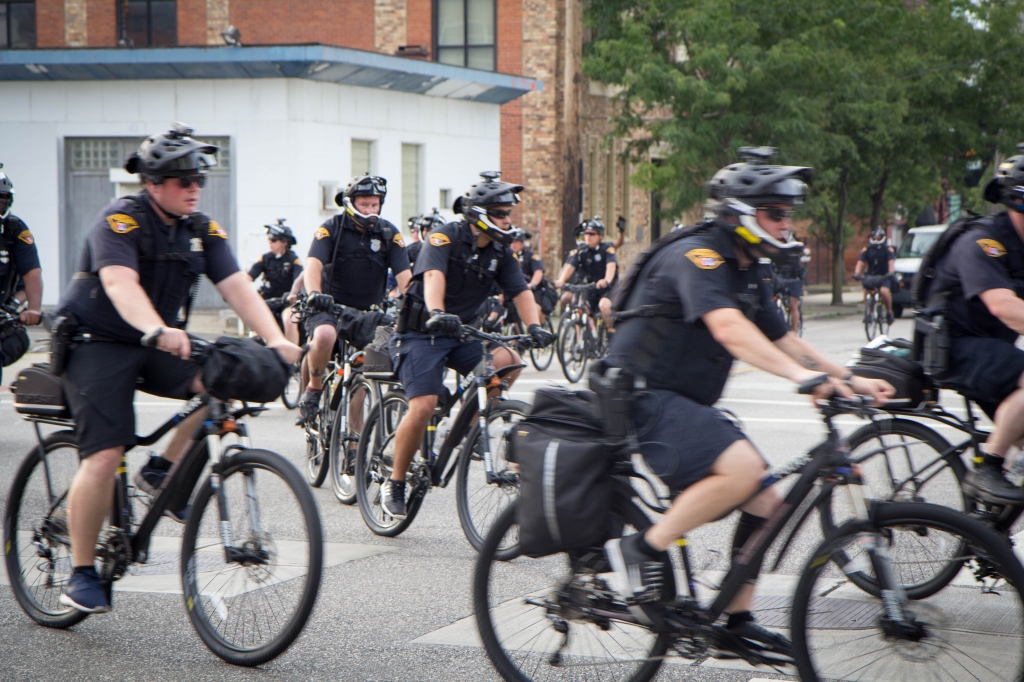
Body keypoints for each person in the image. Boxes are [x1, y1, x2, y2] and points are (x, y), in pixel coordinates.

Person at [602, 147, 893, 654]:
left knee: (767, 500)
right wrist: (802, 380)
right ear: (740, 211)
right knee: (743, 470)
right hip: (643, 396)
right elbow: (729, 329)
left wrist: (849, 377)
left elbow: (782, 338)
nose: (786, 224)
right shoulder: (701, 256)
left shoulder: (748, 267)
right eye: (776, 214)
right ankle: (638, 549)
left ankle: (735, 622)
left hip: (683, 401)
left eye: (788, 215)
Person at [54, 124, 302, 614]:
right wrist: (155, 327)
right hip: (97, 343)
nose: (194, 188)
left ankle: (162, 474)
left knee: (222, 380)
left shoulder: (200, 229)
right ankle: (82, 572)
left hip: (158, 342)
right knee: (104, 456)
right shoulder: (120, 221)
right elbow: (120, 283)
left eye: (199, 180)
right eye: (183, 180)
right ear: (153, 183)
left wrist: (275, 339)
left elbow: (236, 286)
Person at [382, 171, 555, 518]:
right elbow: (433, 276)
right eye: (501, 213)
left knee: (509, 359)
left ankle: (469, 426)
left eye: (509, 213)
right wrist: (436, 311)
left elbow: (521, 290)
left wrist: (535, 325)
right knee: (425, 403)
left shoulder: (501, 252)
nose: (508, 220)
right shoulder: (444, 238)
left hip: (461, 334)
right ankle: (396, 481)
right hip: (421, 332)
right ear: (478, 214)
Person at [924, 144, 1024, 503]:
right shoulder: (983, 242)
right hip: (952, 346)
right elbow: (1003, 306)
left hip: (992, 351)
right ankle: (988, 469)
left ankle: (989, 531)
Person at [300, 175, 412, 426]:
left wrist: (417, 305)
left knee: (363, 371)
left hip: (369, 313)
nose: (371, 211)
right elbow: (313, 264)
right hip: (329, 307)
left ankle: (354, 445)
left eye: (375, 205)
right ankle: (314, 389)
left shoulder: (389, 233)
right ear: (351, 203)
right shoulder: (331, 228)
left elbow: (406, 279)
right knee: (324, 336)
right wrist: (315, 294)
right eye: (365, 205)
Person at [0, 163, 43, 379]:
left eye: (1, 200)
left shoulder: (15, 229)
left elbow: (32, 272)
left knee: (17, 339)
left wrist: (32, 310)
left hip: (2, 312)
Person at [553, 216, 618, 330]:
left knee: (604, 306)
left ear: (600, 236)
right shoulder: (581, 250)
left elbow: (611, 266)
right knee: (581, 310)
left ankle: (610, 332)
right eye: (586, 234)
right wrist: (561, 280)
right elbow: (569, 266)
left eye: (592, 234)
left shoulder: (607, 249)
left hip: (605, 288)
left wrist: (606, 280)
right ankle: (580, 344)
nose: (588, 237)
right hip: (589, 287)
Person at [247, 219, 303, 345]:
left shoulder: (294, 260)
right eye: (269, 239)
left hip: (287, 302)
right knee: (256, 319)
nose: (270, 243)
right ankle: (259, 354)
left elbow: (299, 281)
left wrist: (293, 296)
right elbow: (249, 277)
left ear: (284, 242)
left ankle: (290, 361)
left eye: (273, 240)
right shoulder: (265, 259)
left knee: (290, 320)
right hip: (268, 301)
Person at [853, 227, 896, 325]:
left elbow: (891, 263)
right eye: (874, 238)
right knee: (866, 290)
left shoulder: (887, 249)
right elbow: (860, 262)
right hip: (871, 276)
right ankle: (869, 313)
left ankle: (889, 312)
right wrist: (857, 273)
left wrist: (891, 272)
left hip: (884, 276)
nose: (876, 240)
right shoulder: (867, 249)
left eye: (878, 238)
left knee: (884, 291)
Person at [510, 228, 551, 324]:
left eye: (516, 242)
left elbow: (538, 271)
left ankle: (537, 329)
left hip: (534, 289)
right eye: (512, 241)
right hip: (518, 289)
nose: (513, 244)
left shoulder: (530, 255)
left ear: (523, 243)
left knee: (535, 307)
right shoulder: (509, 256)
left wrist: (532, 284)